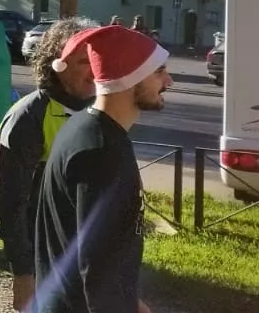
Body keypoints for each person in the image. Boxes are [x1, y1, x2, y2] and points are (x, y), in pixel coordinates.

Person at [35, 26, 170, 313]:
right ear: (131, 77)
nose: (168, 81)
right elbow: (98, 261)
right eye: (159, 71)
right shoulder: (101, 149)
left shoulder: (87, 128)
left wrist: (130, 300)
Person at [0, 17, 99, 310]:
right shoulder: (29, 117)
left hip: (91, 261)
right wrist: (23, 273)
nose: (94, 69)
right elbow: (11, 203)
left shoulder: (101, 110)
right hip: (48, 263)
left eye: (96, 58)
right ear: (57, 63)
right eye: (83, 61)